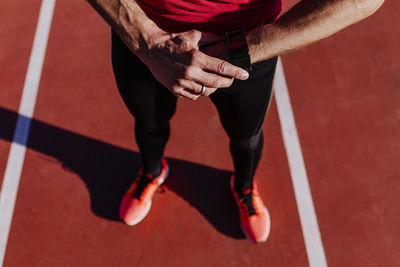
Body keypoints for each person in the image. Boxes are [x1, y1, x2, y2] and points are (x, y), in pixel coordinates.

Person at [87, 0, 384, 243]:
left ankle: (243, 186)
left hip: (248, 47)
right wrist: (147, 41)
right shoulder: (147, 42)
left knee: (246, 135)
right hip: (145, 40)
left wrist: (241, 49)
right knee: (148, 121)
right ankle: (152, 171)